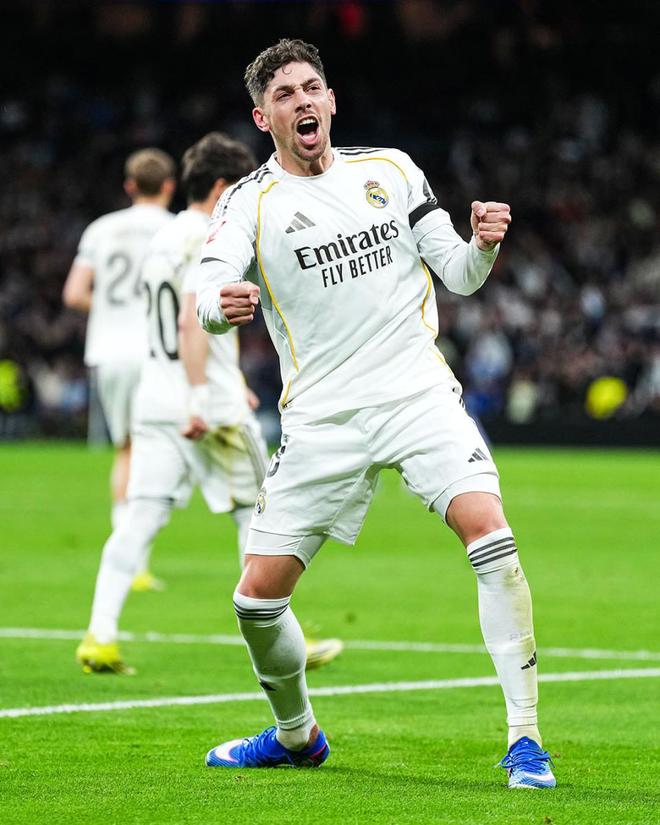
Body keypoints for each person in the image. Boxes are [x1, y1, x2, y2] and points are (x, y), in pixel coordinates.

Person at [196, 39, 556, 789]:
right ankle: (297, 736)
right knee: (256, 601)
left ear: (331, 100)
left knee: (491, 534)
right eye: (284, 95)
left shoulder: (391, 170)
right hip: (322, 419)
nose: (302, 102)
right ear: (263, 118)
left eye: (311, 88)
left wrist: (482, 246)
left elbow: (458, 274)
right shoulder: (248, 202)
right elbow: (209, 285)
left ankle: (526, 740)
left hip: (416, 394)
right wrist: (218, 307)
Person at [76, 132, 343, 676]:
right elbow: (190, 321)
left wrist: (226, 377)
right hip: (206, 404)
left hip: (156, 397)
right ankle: (283, 638)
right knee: (261, 515)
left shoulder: (165, 235)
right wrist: (203, 393)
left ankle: (99, 636)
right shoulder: (210, 235)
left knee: (140, 517)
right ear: (222, 188)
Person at [63, 148, 176, 591]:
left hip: (109, 353)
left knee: (126, 451)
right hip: (157, 353)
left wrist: (113, 312)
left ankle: (129, 560)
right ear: (169, 185)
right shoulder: (177, 229)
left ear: (129, 186)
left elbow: (75, 294)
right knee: (158, 451)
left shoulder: (100, 229)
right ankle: (138, 559)